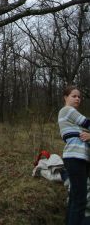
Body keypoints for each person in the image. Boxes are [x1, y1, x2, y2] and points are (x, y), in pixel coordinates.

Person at [58, 84, 90, 225]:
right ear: (66, 97)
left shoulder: (71, 117)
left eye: (79, 97)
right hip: (75, 158)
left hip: (77, 159)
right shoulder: (67, 110)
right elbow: (87, 123)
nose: (77, 99)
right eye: (74, 96)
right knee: (80, 200)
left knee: (74, 198)